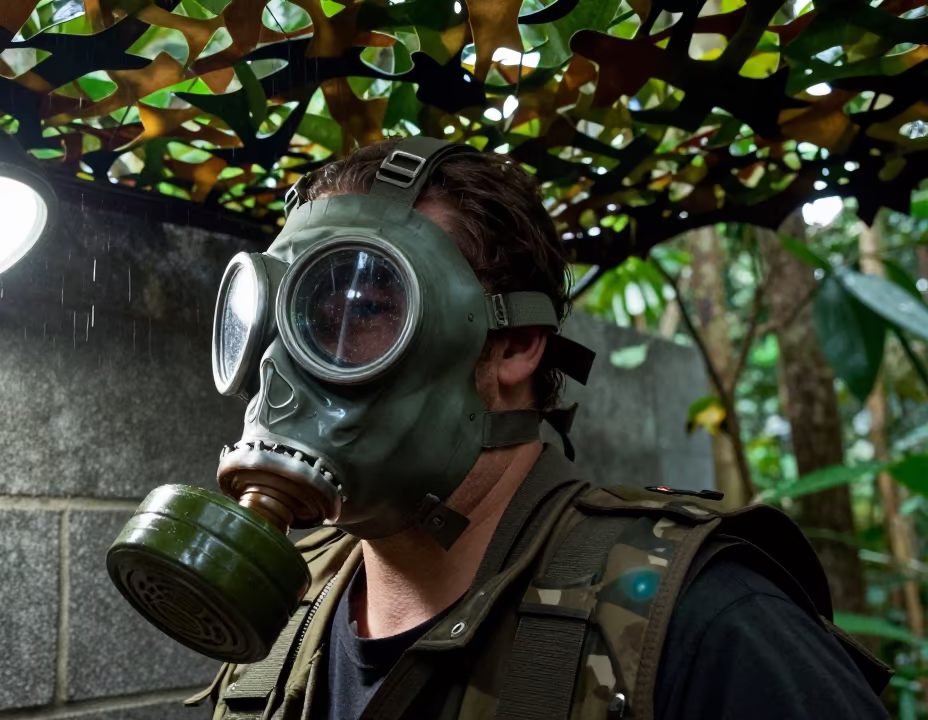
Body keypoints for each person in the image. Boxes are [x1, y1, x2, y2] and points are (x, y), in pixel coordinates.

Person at [181, 138, 891, 720]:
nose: (285, 370)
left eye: (366, 306)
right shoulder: (285, 616)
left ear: (516, 344)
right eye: (286, 318)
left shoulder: (697, 624)